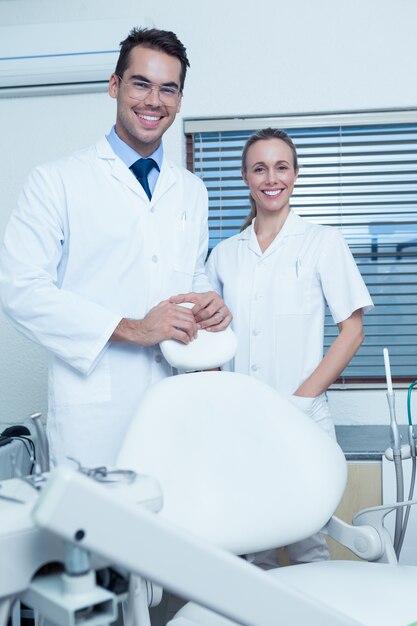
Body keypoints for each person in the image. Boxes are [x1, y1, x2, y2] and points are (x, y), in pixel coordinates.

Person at [0, 27, 231, 468]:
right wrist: (133, 328)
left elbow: (188, 273)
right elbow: (21, 290)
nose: (153, 100)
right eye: (141, 83)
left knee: (175, 528)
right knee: (98, 533)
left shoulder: (192, 190)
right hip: (95, 410)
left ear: (180, 101)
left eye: (168, 89)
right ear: (114, 85)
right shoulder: (57, 181)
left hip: (176, 403)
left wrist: (207, 302)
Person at [205, 127, 374, 565]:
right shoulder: (224, 254)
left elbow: (352, 331)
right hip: (242, 424)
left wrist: (300, 401)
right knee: (249, 548)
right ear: (245, 177)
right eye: (259, 168)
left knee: (308, 544)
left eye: (281, 167)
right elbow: (208, 339)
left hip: (303, 420)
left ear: (296, 174)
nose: (271, 178)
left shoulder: (323, 242)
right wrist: (226, 400)